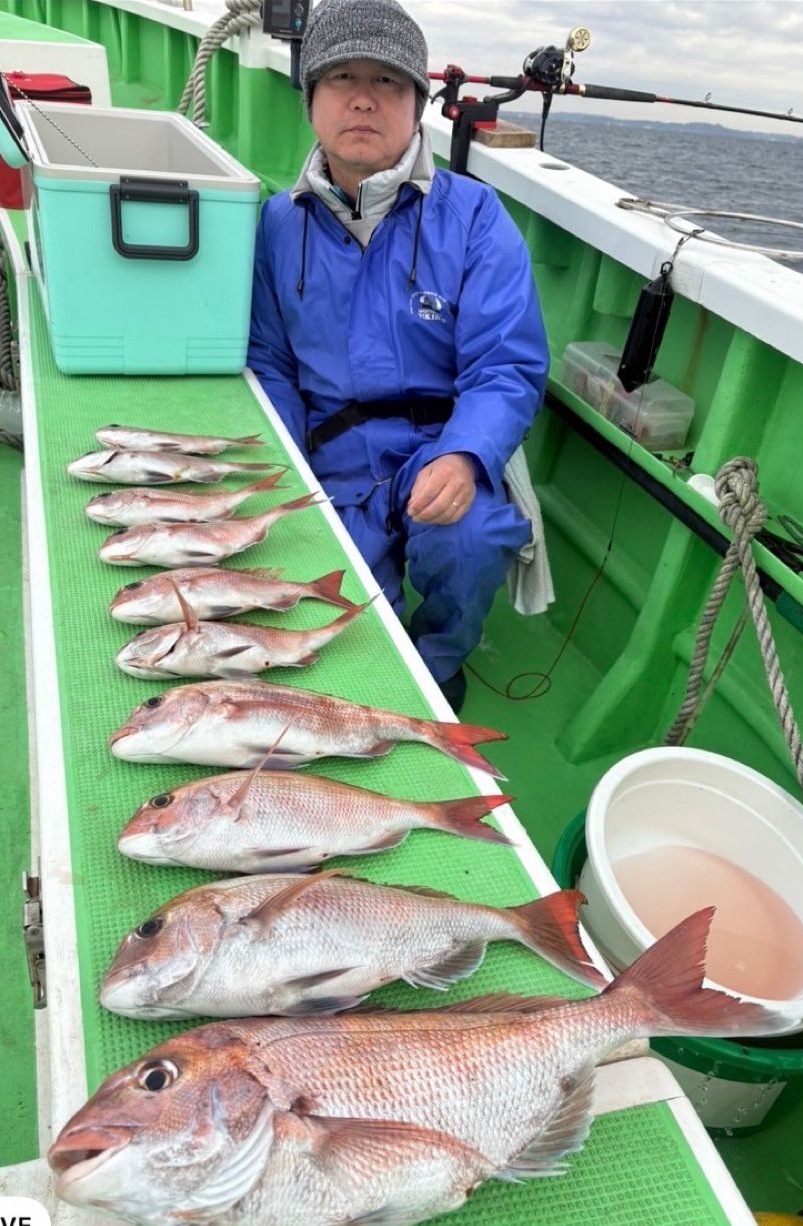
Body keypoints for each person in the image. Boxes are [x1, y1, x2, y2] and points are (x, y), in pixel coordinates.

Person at [248, 0, 549, 713]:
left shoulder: (476, 216)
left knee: (471, 535)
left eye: (387, 82)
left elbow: (505, 367)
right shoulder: (273, 222)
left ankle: (437, 665)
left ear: (417, 104)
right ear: (310, 100)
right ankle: (374, 676)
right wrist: (281, 473)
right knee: (338, 617)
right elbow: (269, 361)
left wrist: (465, 455)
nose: (362, 98)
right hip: (329, 452)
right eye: (341, 77)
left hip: (439, 443)